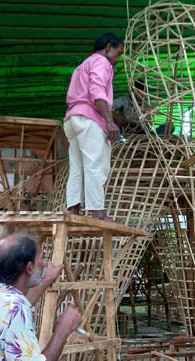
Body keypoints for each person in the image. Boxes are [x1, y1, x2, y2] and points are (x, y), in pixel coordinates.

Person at [64, 32, 124, 221]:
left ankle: (73, 208)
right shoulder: (101, 62)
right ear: (108, 48)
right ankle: (97, 212)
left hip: (72, 119)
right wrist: (109, 121)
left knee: (77, 167)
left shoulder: (83, 65)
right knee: (95, 166)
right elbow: (96, 91)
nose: (118, 58)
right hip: (89, 119)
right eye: (118, 53)